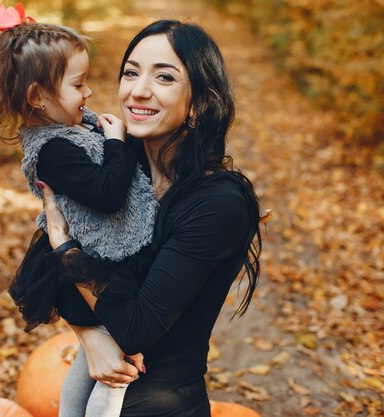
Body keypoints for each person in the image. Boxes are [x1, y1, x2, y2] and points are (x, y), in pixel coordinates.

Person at [34, 19, 264, 416]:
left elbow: (135, 328)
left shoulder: (218, 203)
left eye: (164, 77)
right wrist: (90, 338)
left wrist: (65, 246)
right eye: (131, 72)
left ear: (199, 102)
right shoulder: (117, 168)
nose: (138, 90)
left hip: (160, 405)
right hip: (89, 394)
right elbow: (43, 274)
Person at [0, 3, 157, 417]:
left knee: (93, 363)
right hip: (90, 271)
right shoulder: (53, 150)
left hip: (94, 261)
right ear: (38, 98)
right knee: (118, 370)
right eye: (79, 84)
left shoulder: (72, 127)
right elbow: (108, 193)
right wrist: (117, 142)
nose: (89, 92)